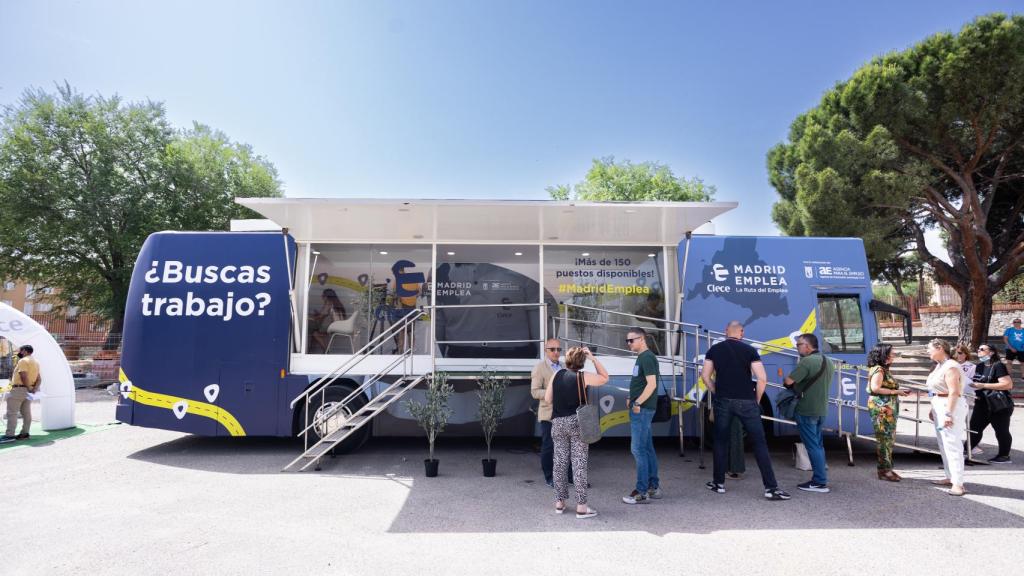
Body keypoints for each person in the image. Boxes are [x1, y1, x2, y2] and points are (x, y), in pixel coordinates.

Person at [701, 321, 791, 501]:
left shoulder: (714, 350)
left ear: (726, 331)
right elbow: (762, 379)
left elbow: (705, 376)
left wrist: (716, 391)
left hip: (723, 402)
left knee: (720, 442)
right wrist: (756, 400)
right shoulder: (750, 351)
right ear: (741, 332)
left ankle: (718, 484)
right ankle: (771, 488)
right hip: (747, 402)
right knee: (759, 443)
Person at [543, 346, 608, 518]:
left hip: (558, 422)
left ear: (567, 359)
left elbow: (548, 399)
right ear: (582, 361)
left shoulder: (557, 374)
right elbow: (605, 377)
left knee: (559, 463)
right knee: (579, 464)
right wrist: (593, 358)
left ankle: (559, 503)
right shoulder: (583, 376)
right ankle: (581, 507)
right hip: (577, 422)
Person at [783, 333, 834, 493]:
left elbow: (788, 381)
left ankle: (819, 482)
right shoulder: (828, 361)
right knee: (818, 445)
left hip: (806, 409)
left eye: (798, 345)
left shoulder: (807, 361)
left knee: (812, 447)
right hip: (821, 409)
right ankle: (820, 478)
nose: (797, 347)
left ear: (807, 346)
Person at [622, 327, 662, 504]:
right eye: (627, 340)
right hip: (642, 408)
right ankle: (653, 487)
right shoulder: (643, 357)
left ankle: (641, 491)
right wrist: (631, 397)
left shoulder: (646, 357)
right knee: (646, 448)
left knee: (638, 449)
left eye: (631, 340)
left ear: (642, 339)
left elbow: (651, 384)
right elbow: (640, 382)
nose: (629, 343)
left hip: (642, 409)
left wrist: (637, 403)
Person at [925, 339, 967, 496]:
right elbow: (936, 389)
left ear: (940, 348)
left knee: (952, 444)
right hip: (939, 404)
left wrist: (949, 414)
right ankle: (950, 476)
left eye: (930, 348)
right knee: (944, 444)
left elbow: (953, 392)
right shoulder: (939, 365)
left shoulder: (951, 366)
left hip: (949, 406)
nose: (928, 351)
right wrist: (933, 408)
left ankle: (958, 483)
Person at [866, 343, 911, 481]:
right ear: (884, 354)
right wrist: (896, 391)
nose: (894, 355)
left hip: (887, 408)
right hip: (882, 408)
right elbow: (875, 388)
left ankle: (887, 468)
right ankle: (884, 470)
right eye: (892, 353)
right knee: (885, 439)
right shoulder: (879, 370)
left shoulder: (882, 369)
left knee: (888, 438)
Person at [531, 338, 572, 487]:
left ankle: (570, 476)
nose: (556, 352)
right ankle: (549, 477)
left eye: (558, 349)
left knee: (567, 446)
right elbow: (535, 392)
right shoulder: (539, 368)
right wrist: (553, 393)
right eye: (552, 349)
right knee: (549, 447)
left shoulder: (564, 366)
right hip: (549, 414)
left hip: (565, 413)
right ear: (545, 351)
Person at [969, 344, 1014, 464]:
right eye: (978, 349)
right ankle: (966, 450)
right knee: (974, 428)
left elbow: (1008, 384)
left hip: (998, 405)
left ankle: (1004, 456)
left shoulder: (998, 365)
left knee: (1001, 430)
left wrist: (983, 385)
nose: (979, 351)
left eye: (982, 349)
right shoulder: (979, 366)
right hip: (981, 403)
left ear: (992, 352)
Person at [2, 345, 40, 442]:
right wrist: (33, 388)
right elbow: (39, 378)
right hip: (28, 391)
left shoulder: (23, 361)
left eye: (20, 350)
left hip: (19, 389)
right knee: (26, 413)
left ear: (25, 351)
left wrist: (29, 387)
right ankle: (25, 433)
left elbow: (23, 375)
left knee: (12, 413)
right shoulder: (36, 362)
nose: (19, 352)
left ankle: (9, 436)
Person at [310, 289, 347, 353]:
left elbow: (321, 316)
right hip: (341, 327)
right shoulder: (337, 303)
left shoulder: (329, 303)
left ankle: (325, 350)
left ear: (327, 296)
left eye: (323, 296)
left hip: (334, 327)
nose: (321, 297)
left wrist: (310, 317)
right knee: (316, 332)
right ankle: (314, 350)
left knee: (313, 331)